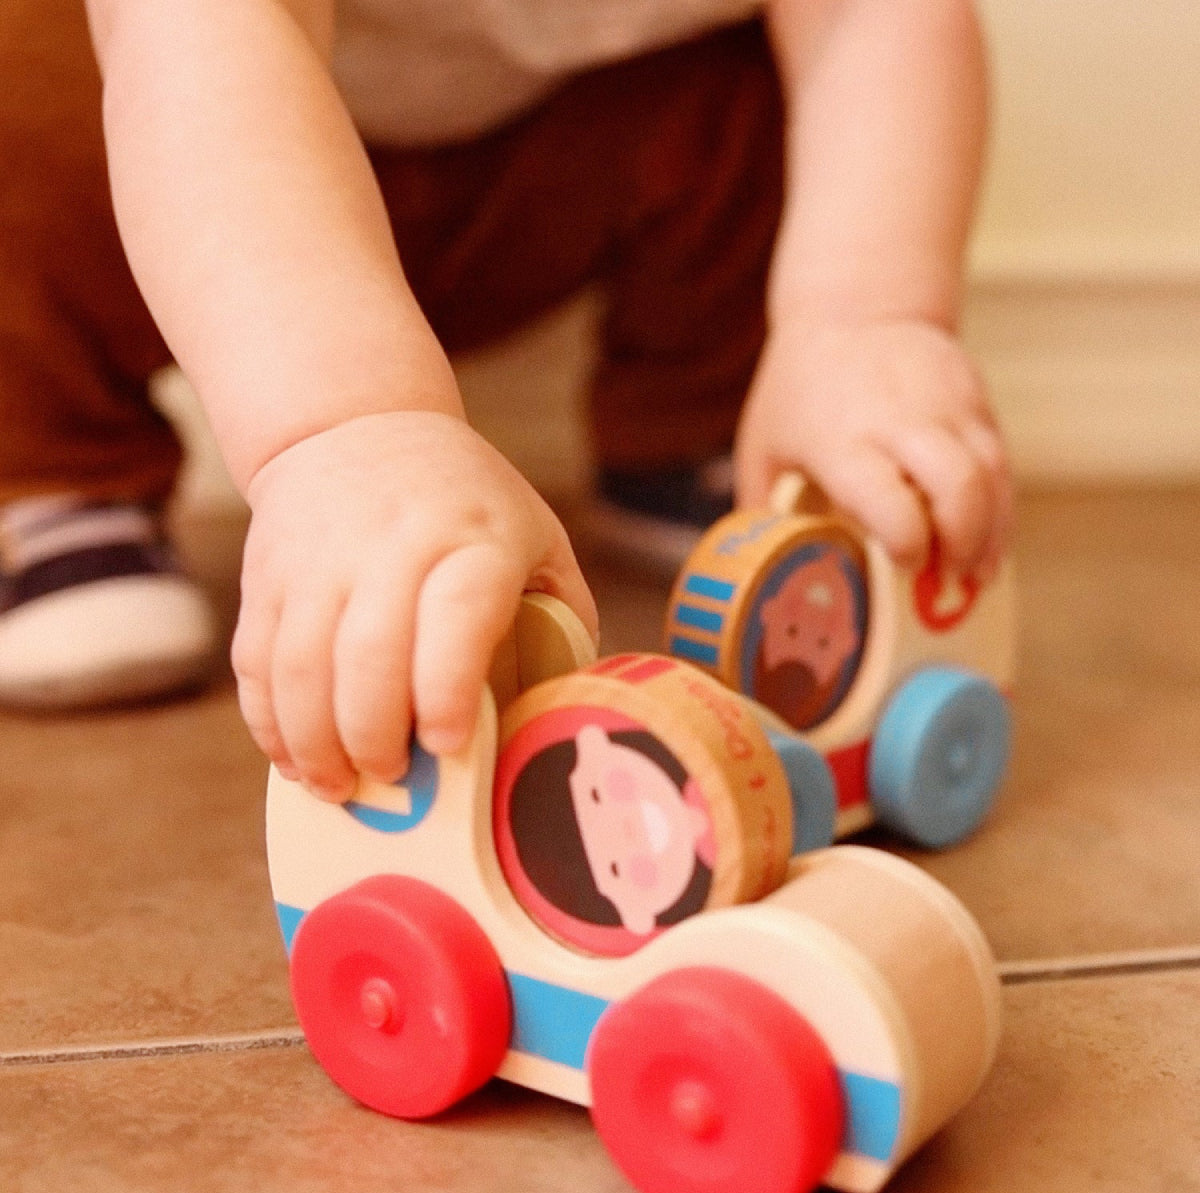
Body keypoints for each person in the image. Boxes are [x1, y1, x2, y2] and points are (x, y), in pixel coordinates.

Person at [0, 0, 1012, 805]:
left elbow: (874, 19)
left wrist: (866, 316)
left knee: (753, 93)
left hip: (541, 160)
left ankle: (691, 420)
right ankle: (59, 472)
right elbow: (203, 42)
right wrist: (352, 427)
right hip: (204, 179)